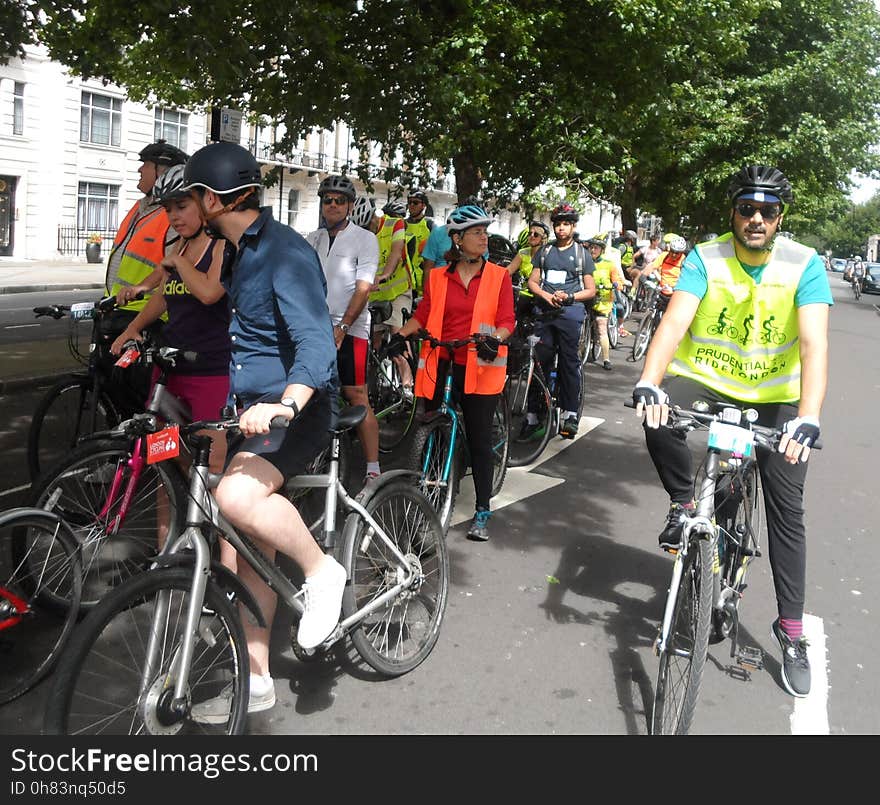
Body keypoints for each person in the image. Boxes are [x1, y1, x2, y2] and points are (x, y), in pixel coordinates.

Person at [632, 164, 832, 698]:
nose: (757, 219)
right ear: (733, 212)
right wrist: (650, 380)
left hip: (776, 399)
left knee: (787, 510)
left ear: (780, 216)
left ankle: (790, 631)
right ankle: (682, 504)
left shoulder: (805, 264)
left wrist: (808, 416)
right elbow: (674, 322)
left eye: (768, 210)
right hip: (708, 384)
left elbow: (814, 345)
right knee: (657, 416)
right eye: (748, 208)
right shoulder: (705, 256)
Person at [179, 142, 344, 722]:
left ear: (212, 198)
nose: (184, 206)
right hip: (248, 407)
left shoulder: (283, 252)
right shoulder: (234, 250)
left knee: (237, 496)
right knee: (246, 549)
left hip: (297, 409)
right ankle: (259, 680)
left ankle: (324, 572)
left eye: (189, 195)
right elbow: (245, 333)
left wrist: (287, 403)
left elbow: (316, 342)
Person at [390, 204, 515, 541]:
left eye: (485, 231)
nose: (484, 237)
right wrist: (400, 335)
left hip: (479, 363)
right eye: (477, 232)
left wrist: (495, 339)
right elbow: (424, 315)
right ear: (457, 239)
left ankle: (483, 509)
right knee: (432, 426)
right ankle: (429, 491)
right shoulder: (436, 277)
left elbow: (506, 321)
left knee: (479, 438)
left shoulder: (499, 276)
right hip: (440, 359)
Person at [306, 176, 382, 482]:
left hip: (350, 329)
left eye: (339, 200)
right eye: (328, 200)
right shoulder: (313, 238)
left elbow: (363, 289)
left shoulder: (365, 239)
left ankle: (374, 467)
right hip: (315, 327)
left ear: (349, 205)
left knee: (355, 394)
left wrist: (343, 325)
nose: (333, 205)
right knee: (311, 392)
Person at [526, 202, 597, 439]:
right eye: (557, 225)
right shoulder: (545, 252)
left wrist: (569, 297)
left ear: (573, 226)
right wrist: (545, 295)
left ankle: (570, 414)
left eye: (565, 224)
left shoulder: (581, 254)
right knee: (538, 363)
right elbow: (533, 281)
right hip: (545, 314)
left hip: (570, 314)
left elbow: (590, 290)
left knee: (569, 363)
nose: (561, 229)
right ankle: (534, 414)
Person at [108, 139, 189, 317]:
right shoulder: (139, 207)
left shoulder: (174, 216)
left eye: (145, 164)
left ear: (162, 171)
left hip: (148, 315)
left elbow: (171, 269)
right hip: (118, 307)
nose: (140, 169)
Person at [369, 199, 416, 395]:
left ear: (374, 217)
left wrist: (385, 275)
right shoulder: (362, 234)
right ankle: (372, 382)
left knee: (398, 337)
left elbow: (396, 254)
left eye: (368, 225)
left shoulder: (394, 224)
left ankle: (407, 385)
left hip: (397, 291)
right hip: (374, 294)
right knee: (373, 341)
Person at [585, 233, 625, 370]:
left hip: (603, 300)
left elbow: (617, 281)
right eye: (591, 247)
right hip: (585, 298)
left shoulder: (609, 264)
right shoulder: (584, 262)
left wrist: (616, 285)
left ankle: (606, 358)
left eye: (596, 248)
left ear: (601, 250)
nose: (593, 250)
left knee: (601, 328)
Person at [506, 220, 550, 320]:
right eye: (530, 233)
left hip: (541, 296)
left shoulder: (549, 255)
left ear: (543, 238)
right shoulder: (523, 253)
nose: (531, 236)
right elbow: (508, 271)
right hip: (524, 294)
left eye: (536, 234)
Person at [405, 188, 434, 296]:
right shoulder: (402, 224)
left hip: (422, 281)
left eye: (415, 202)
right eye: (409, 202)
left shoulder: (429, 225)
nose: (411, 205)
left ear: (423, 205)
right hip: (405, 279)